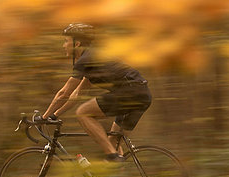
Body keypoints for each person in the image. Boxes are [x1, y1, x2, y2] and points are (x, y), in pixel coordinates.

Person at [42, 23, 152, 161]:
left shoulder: (85, 59)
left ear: (77, 44)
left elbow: (64, 93)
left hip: (131, 92)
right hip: (141, 94)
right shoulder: (92, 59)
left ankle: (112, 156)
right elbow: (76, 94)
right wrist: (55, 114)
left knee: (83, 112)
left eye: (66, 41)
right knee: (112, 142)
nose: (64, 45)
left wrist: (44, 117)